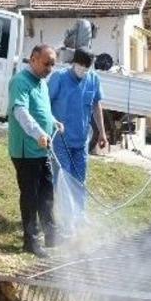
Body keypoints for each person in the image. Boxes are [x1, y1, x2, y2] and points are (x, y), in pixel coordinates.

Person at [7, 44, 64, 257]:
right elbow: (20, 111)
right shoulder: (20, 82)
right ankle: (30, 242)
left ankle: (51, 235)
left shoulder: (41, 83)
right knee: (31, 197)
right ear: (33, 59)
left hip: (42, 150)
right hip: (26, 151)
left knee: (47, 194)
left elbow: (42, 110)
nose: (49, 68)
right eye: (46, 63)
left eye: (52, 65)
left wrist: (54, 122)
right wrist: (39, 133)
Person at [48, 47, 107, 234]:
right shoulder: (59, 78)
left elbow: (97, 106)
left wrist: (102, 134)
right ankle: (67, 221)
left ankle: (80, 216)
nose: (83, 70)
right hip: (61, 140)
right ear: (74, 62)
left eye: (87, 67)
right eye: (81, 65)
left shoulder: (93, 80)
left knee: (80, 180)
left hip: (81, 141)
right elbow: (44, 103)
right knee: (64, 180)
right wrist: (50, 124)